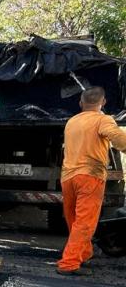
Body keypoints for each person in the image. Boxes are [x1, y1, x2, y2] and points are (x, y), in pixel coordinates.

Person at [56, 86, 126, 276]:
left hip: (68, 177)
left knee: (74, 220)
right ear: (103, 102)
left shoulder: (72, 121)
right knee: (85, 222)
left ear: (80, 103)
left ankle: (84, 253)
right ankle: (69, 263)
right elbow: (119, 138)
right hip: (90, 175)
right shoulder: (102, 119)